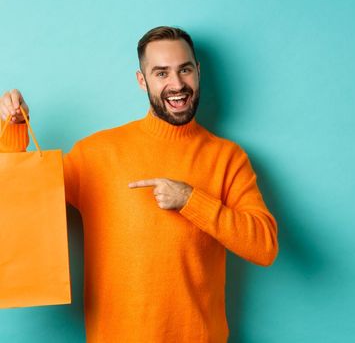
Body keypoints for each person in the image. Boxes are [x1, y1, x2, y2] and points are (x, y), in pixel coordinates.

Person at [0, 26, 279, 342]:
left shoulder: (228, 157)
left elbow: (264, 247)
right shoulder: (97, 153)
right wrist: (13, 130)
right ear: (142, 81)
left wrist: (191, 200)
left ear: (198, 72)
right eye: (161, 73)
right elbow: (22, 196)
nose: (176, 84)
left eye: (184, 70)